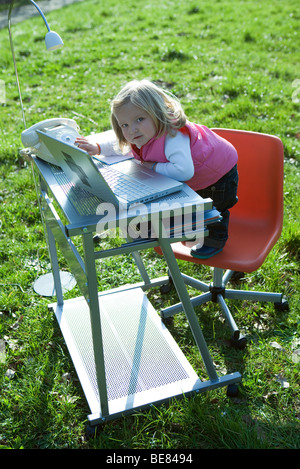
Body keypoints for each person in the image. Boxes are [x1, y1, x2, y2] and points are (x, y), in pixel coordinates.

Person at [75, 79, 238, 259]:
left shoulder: (173, 136)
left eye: (139, 119)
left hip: (218, 176)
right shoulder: (142, 133)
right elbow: (122, 144)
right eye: (125, 125)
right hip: (195, 177)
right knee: (183, 205)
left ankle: (215, 239)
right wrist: (98, 147)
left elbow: (184, 172)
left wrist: (153, 166)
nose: (132, 130)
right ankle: (176, 226)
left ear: (158, 113)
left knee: (215, 209)